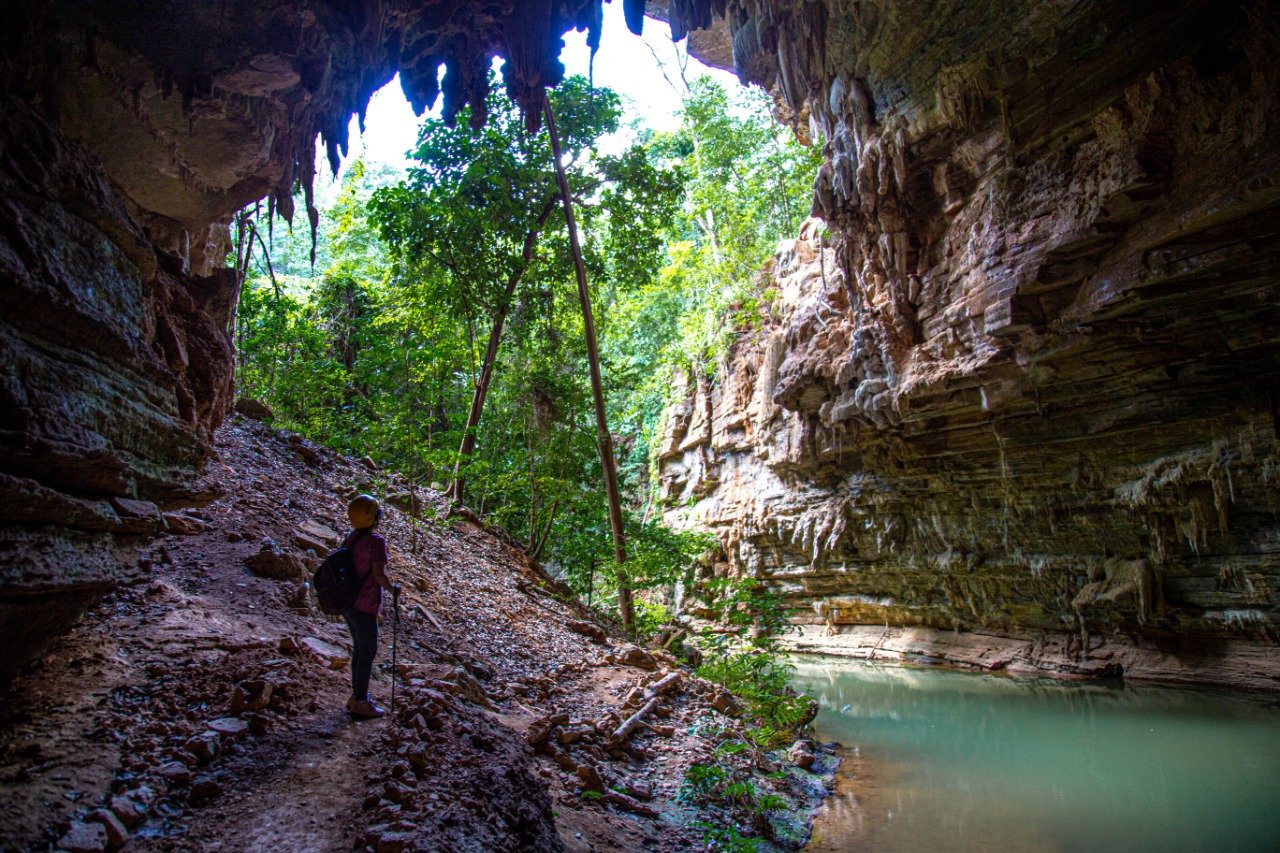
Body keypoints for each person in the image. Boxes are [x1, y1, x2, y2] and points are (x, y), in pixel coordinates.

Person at [342, 494, 399, 719]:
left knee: (360, 649)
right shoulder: (375, 542)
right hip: (364, 603)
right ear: (373, 517)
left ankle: (357, 695)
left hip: (348, 601)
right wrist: (393, 589)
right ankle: (360, 701)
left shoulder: (352, 537)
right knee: (367, 652)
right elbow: (378, 574)